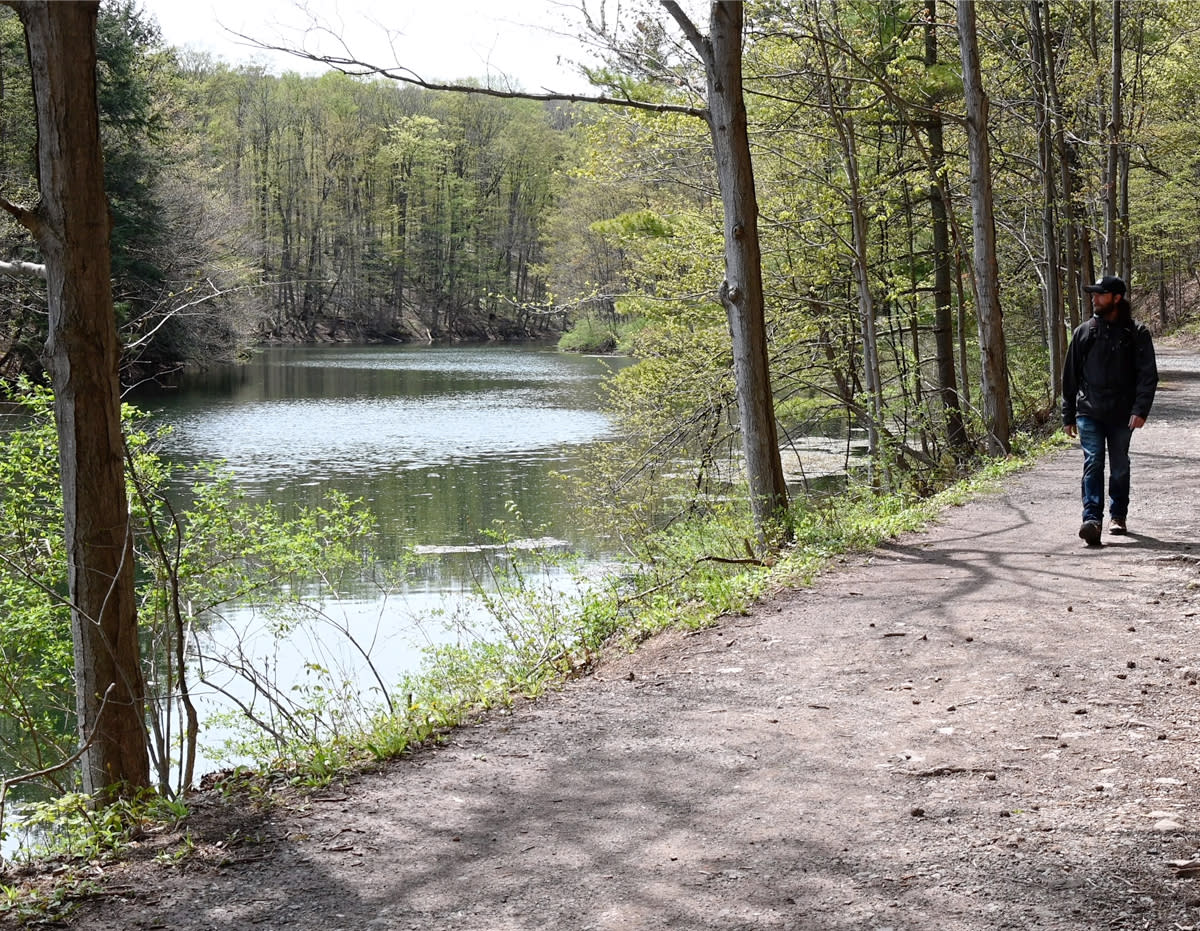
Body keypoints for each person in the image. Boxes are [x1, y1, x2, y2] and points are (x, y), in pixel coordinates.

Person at [1062, 274, 1158, 546]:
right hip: (1089, 411)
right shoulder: (1084, 332)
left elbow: (1148, 375)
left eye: (1100, 294)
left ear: (1116, 298)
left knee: (1119, 467)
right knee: (1093, 462)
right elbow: (1070, 377)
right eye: (1093, 294)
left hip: (1122, 414)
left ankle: (1118, 515)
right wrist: (1067, 414)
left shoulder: (1136, 333)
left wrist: (1141, 410)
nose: (1094, 298)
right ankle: (1092, 520)